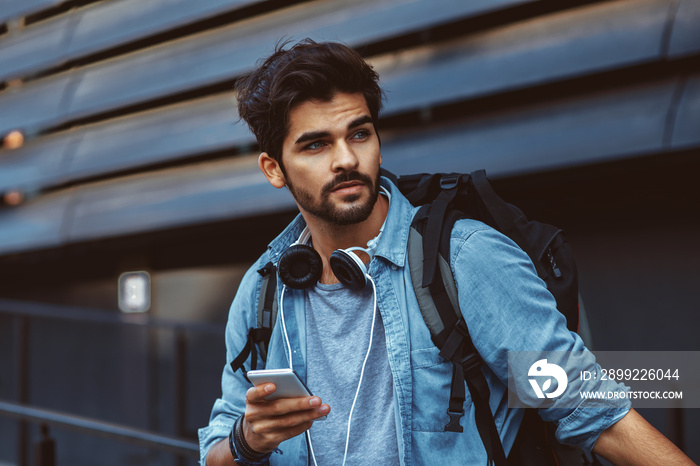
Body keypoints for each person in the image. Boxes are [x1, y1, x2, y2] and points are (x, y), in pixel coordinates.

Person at [199, 39, 693, 465]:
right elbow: (218, 447)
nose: (347, 159)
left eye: (359, 133)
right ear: (273, 168)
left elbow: (591, 411)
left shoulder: (466, 260)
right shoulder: (263, 291)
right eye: (315, 146)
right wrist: (247, 441)